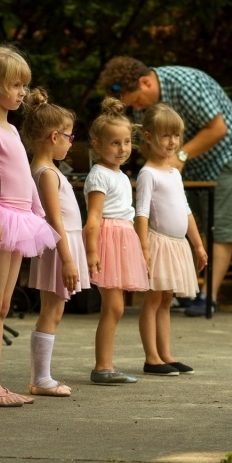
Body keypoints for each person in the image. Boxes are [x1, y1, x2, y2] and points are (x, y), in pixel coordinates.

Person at [99, 56, 232, 316]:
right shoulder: (141, 106)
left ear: (145, 81)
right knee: (183, 220)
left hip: (229, 153)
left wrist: (181, 156)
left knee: (221, 224)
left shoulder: (186, 84)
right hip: (189, 161)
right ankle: (185, 291)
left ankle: (209, 297)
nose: (136, 107)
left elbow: (218, 129)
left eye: (137, 101)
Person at [0, 44, 60, 407]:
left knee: (4, 305)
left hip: (22, 217)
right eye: (16, 85)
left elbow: (25, 177)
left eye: (24, 85)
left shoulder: (10, 128)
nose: (22, 92)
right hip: (2, 215)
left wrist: (39, 215)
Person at [21, 87, 90, 397]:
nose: (70, 143)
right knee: (52, 311)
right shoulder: (47, 173)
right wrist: (68, 259)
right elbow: (54, 219)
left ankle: (42, 376)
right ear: (53, 137)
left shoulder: (47, 170)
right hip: (60, 247)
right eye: (69, 137)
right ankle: (41, 378)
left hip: (64, 245)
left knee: (55, 310)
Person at [134, 104, 208, 375]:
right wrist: (143, 248)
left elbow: (185, 210)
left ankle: (166, 353)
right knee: (153, 300)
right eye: (165, 136)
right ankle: (151, 357)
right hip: (158, 243)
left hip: (177, 244)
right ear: (149, 136)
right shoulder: (147, 174)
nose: (172, 142)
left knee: (167, 301)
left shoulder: (175, 172)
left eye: (176, 136)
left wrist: (198, 244)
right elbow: (141, 213)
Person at [83, 97, 149, 384]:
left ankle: (106, 364)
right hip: (109, 239)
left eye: (126, 142)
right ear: (97, 145)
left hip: (123, 237)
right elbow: (94, 218)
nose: (122, 149)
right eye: (114, 143)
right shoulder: (99, 175)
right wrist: (92, 251)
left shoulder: (120, 174)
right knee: (114, 306)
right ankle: (102, 366)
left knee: (117, 306)